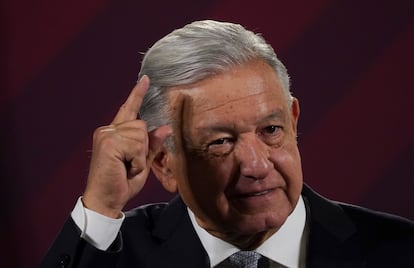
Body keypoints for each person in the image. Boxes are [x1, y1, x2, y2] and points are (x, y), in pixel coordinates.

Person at [41, 20, 414, 268]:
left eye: (270, 130)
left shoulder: (400, 250)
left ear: (293, 119)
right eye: (221, 141)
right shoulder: (110, 255)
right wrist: (101, 208)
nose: (256, 165)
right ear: (163, 162)